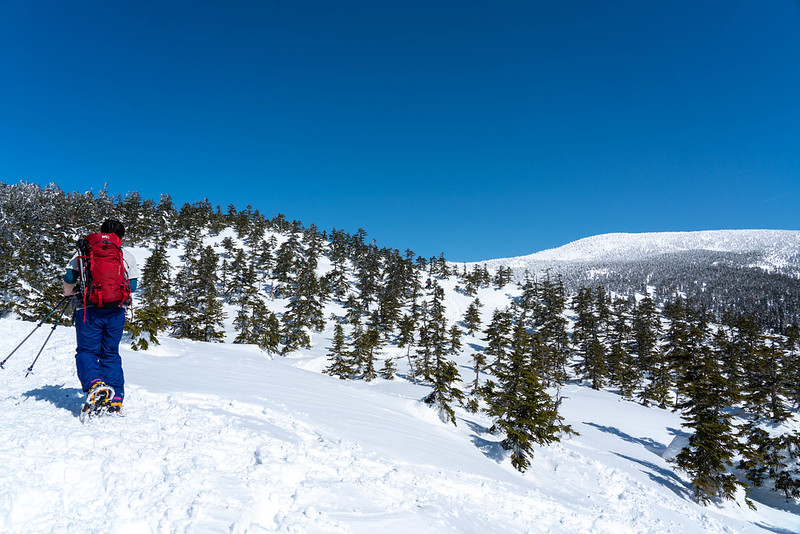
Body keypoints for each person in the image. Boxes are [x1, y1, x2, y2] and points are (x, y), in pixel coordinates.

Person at [63, 219, 139, 415]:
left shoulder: (84, 252)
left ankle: (96, 384)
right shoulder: (125, 255)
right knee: (111, 353)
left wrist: (71, 293)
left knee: (87, 351)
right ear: (121, 237)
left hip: (88, 309)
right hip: (115, 310)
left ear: (100, 232)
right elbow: (133, 286)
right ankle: (117, 396)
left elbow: (69, 279)